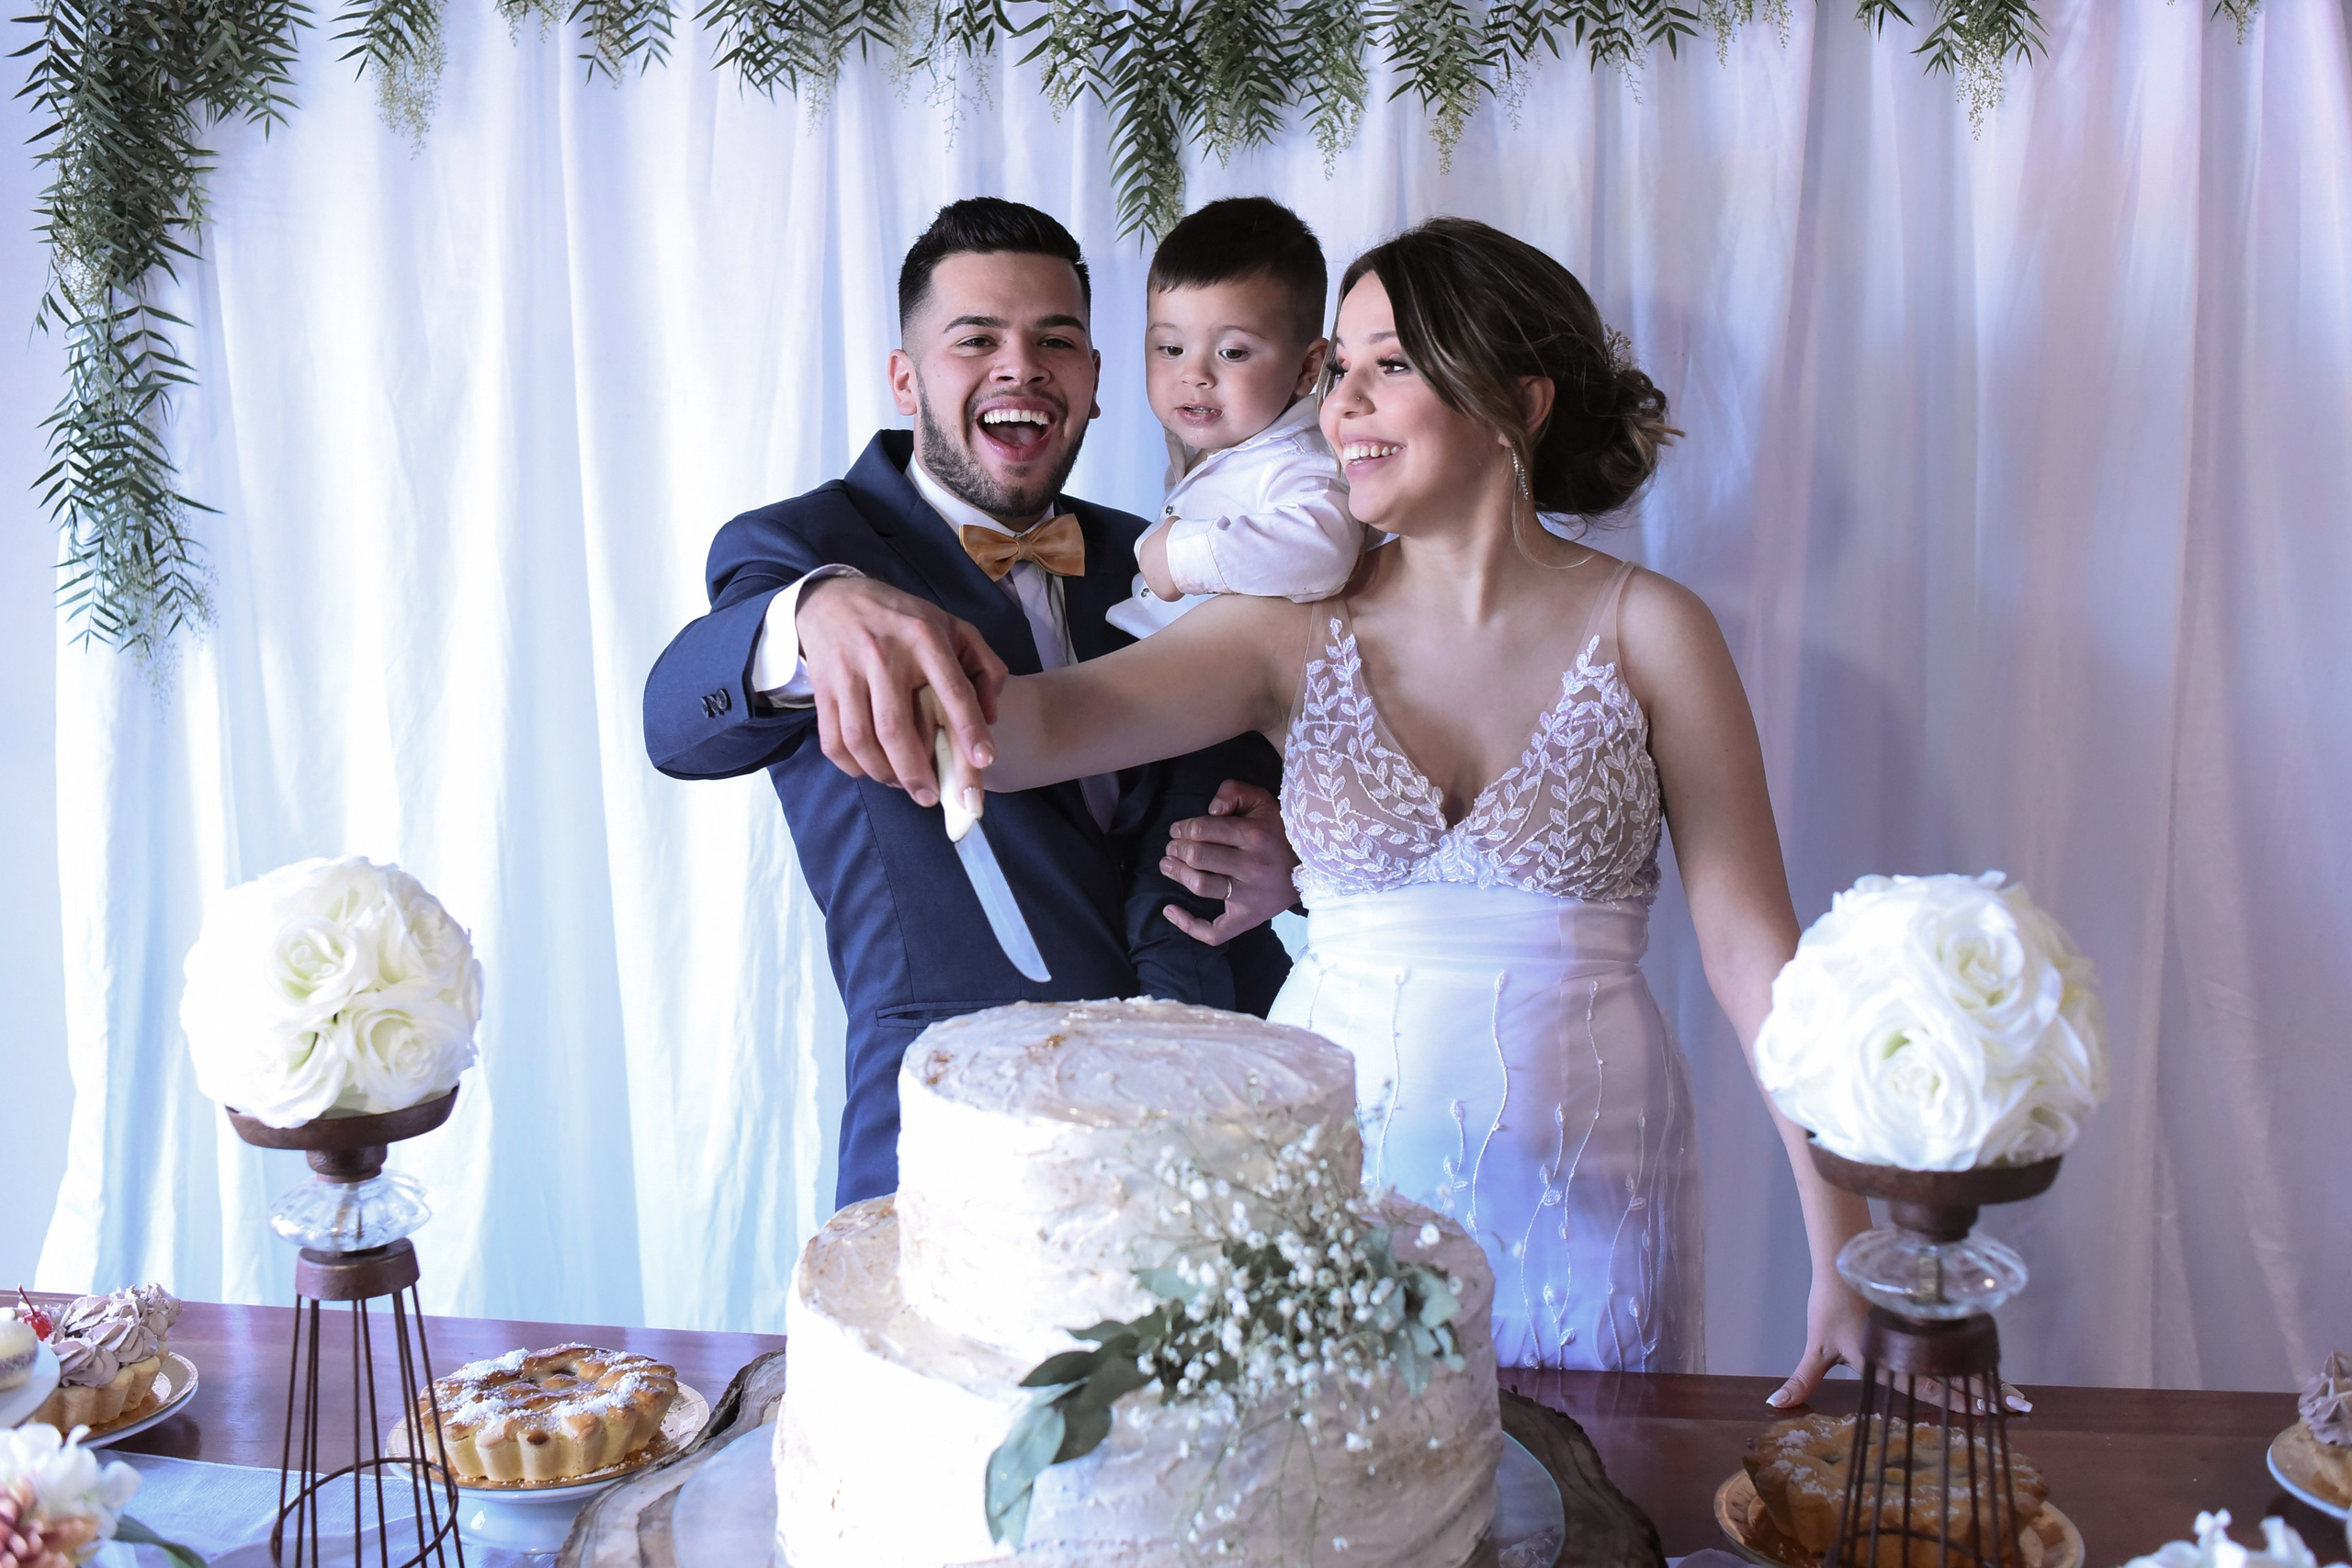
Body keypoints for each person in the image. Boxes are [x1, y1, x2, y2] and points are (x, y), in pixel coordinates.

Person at [870, 218, 1873, 1397]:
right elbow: (1035, 732)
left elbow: (1756, 956)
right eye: (1336, 367)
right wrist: (837, 617)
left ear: (1517, 403)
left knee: (1593, 1481)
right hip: (1341, 1182)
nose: (1339, 405)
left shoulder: (1655, 629)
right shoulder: (1283, 628)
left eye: (1387, 365)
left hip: (1597, 1190)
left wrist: (1848, 1250)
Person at [640, 197, 1297, 1210]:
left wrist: (1289, 862)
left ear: (1095, 381)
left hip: (1217, 1114)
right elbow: (675, 722)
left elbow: (1292, 761)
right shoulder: (805, 549)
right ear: (905, 378)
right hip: (955, 1137)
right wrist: (807, 613)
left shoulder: (1176, 553)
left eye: (1055, 341)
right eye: (976, 339)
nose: (1020, 368)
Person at [1105, 197, 1362, 644]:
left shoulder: (1297, 460)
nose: (1195, 375)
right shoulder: (1210, 444)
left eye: (1232, 352)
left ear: (1308, 368)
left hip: (1204, 677)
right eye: (1171, 349)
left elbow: (1325, 548)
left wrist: (1182, 557)